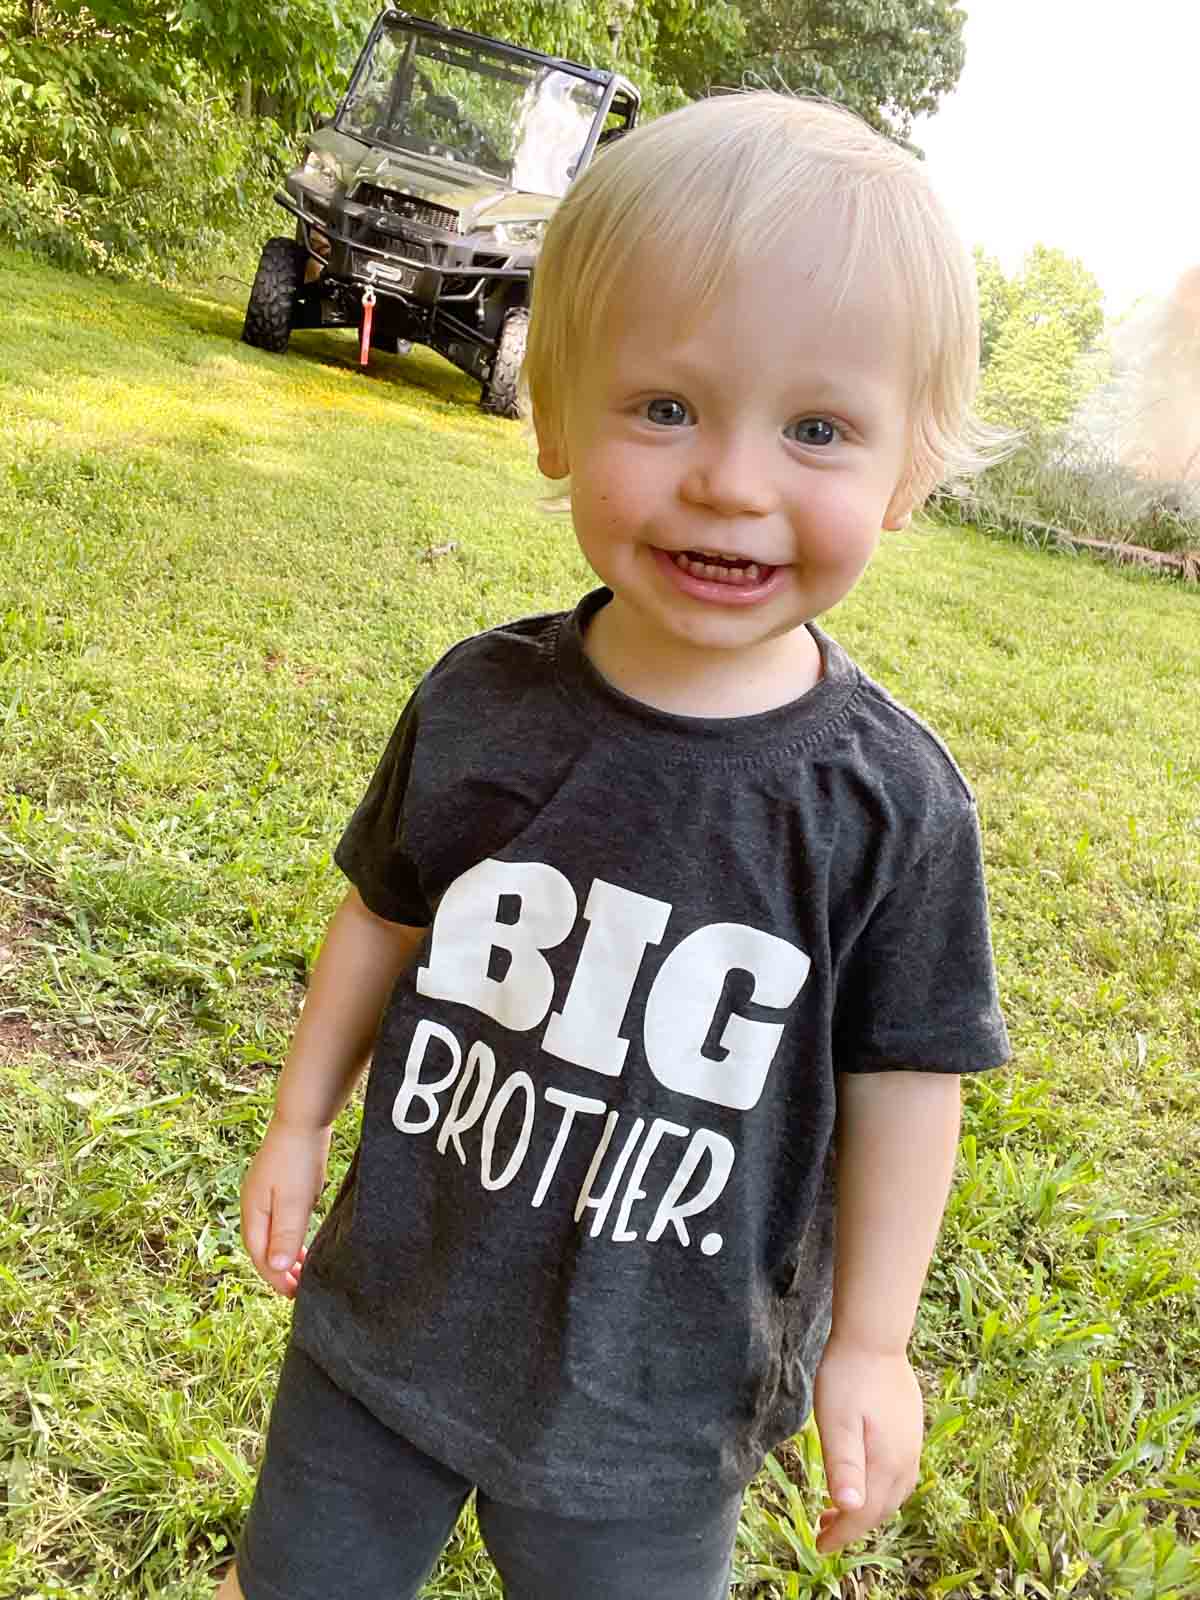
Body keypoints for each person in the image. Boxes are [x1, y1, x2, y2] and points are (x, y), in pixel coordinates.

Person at [215, 90, 1009, 1600]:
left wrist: (876, 1342)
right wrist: (302, 1117)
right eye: (666, 408)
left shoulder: (892, 809)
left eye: (820, 429)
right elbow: (382, 917)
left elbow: (908, 1075)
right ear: (556, 415)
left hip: (663, 1383)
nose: (732, 479)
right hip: (392, 1312)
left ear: (908, 474)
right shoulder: (480, 703)